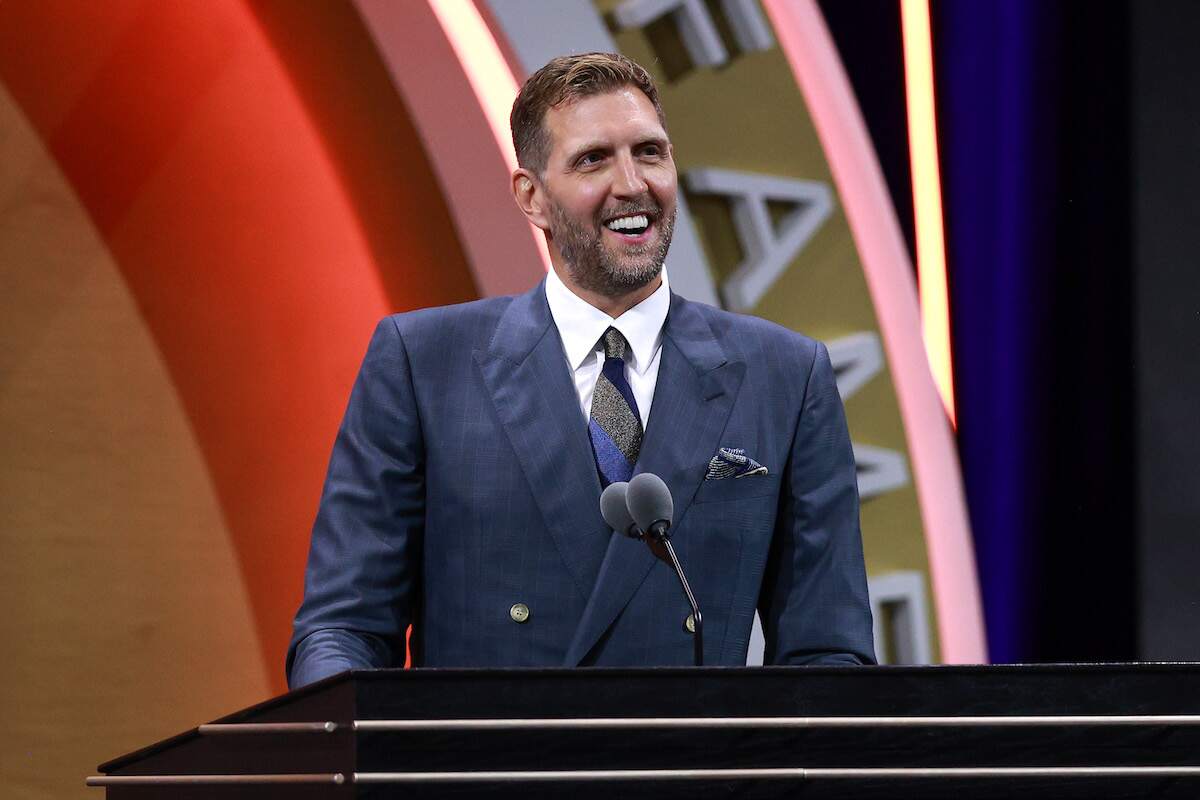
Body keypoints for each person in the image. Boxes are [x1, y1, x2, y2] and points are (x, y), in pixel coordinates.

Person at [287, 53, 874, 688]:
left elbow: (828, 654)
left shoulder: (785, 375)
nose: (632, 184)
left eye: (649, 152)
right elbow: (343, 627)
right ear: (530, 196)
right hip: (488, 774)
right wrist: (354, 748)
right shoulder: (423, 363)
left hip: (690, 776)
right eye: (594, 159)